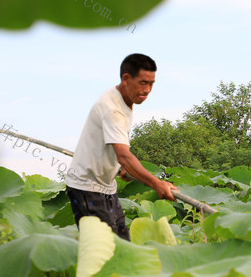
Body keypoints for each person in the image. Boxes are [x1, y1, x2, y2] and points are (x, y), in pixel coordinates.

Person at [64, 53, 177, 240]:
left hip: (107, 185)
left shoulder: (124, 99)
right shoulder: (112, 109)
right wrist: (157, 183)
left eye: (151, 84)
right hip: (86, 186)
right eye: (143, 82)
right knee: (105, 249)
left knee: (123, 242)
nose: (148, 89)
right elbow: (124, 155)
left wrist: (121, 167)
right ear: (126, 79)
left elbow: (115, 149)